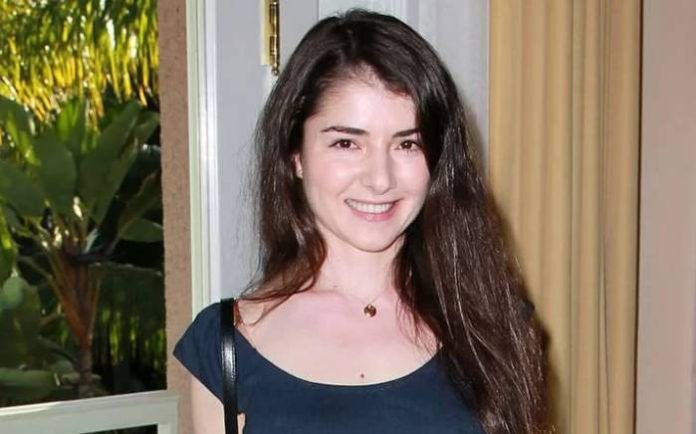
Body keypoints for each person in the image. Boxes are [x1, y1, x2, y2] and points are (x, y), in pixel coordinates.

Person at [174, 9, 548, 434]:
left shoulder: (494, 324)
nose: (380, 179)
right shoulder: (227, 347)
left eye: (407, 144)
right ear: (295, 155)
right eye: (347, 143)